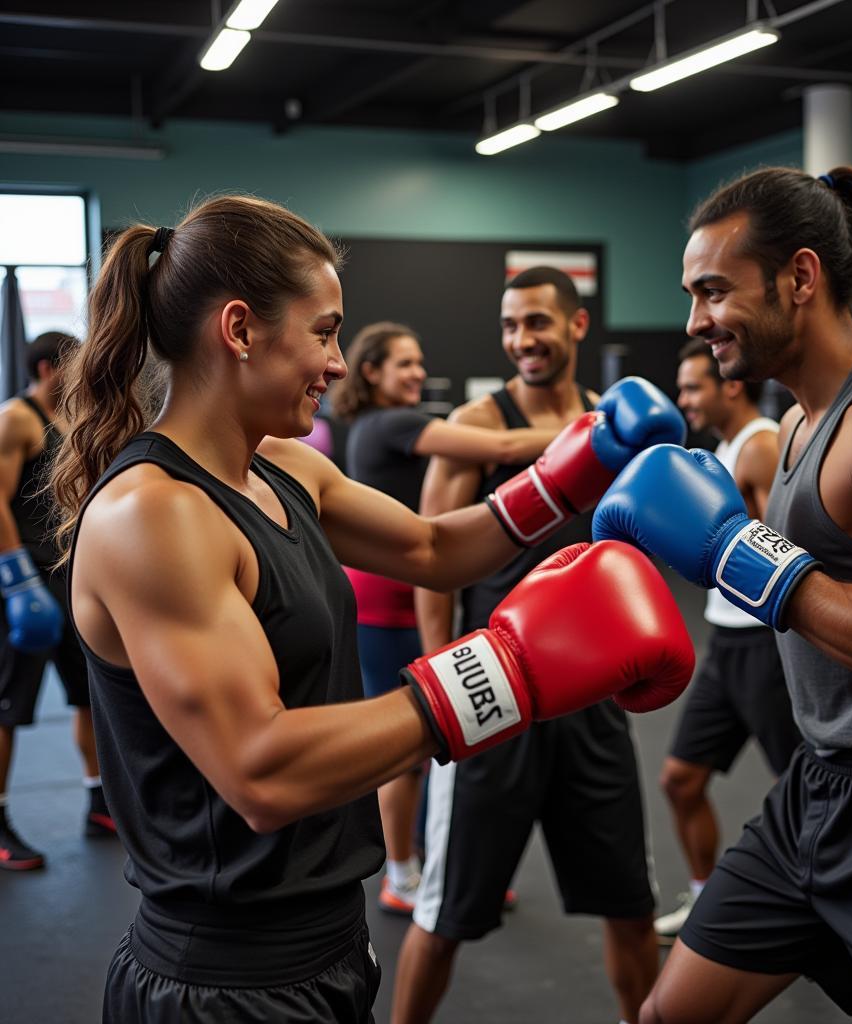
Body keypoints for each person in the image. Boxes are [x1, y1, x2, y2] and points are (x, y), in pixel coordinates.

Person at [49, 196, 694, 1023]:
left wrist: (569, 473)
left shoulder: (283, 466)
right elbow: (262, 770)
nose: (340, 363)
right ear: (240, 330)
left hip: (327, 941)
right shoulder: (155, 514)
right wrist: (503, 671)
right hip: (225, 981)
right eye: (324, 332)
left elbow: (431, 548)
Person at [593, 165, 852, 1024]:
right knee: (668, 1014)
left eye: (714, 291)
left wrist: (735, 559)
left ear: (800, 276)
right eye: (690, 294)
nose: (693, 321)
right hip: (820, 785)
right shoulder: (794, 425)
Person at [390, 266, 687, 1024]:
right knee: (444, 915)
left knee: (629, 903)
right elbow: (432, 569)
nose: (523, 339)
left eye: (538, 323)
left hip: (593, 701)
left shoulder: (619, 429)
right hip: (491, 695)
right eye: (511, 325)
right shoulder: (475, 426)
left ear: (577, 327)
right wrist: (441, 696)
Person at [332, 320, 557, 915]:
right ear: (372, 371)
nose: (417, 373)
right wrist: (591, 431)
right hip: (388, 605)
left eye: (419, 361)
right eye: (404, 363)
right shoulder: (391, 423)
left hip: (409, 594)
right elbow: (505, 446)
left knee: (439, 736)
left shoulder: (380, 424)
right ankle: (401, 873)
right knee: (405, 743)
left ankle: (444, 866)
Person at [652, 338, 800, 942]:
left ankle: (817, 908)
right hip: (723, 643)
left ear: (730, 386)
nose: (683, 400)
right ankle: (706, 899)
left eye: (693, 388)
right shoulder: (720, 451)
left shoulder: (761, 446)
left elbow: (786, 557)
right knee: (680, 779)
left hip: (764, 647)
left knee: (799, 788)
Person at [0, 331, 115, 872]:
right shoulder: (17, 419)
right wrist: (18, 579)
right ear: (47, 367)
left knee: (89, 695)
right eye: (72, 366)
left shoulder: (75, 422)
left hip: (70, 579)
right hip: (25, 585)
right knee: (9, 708)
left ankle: (98, 801)